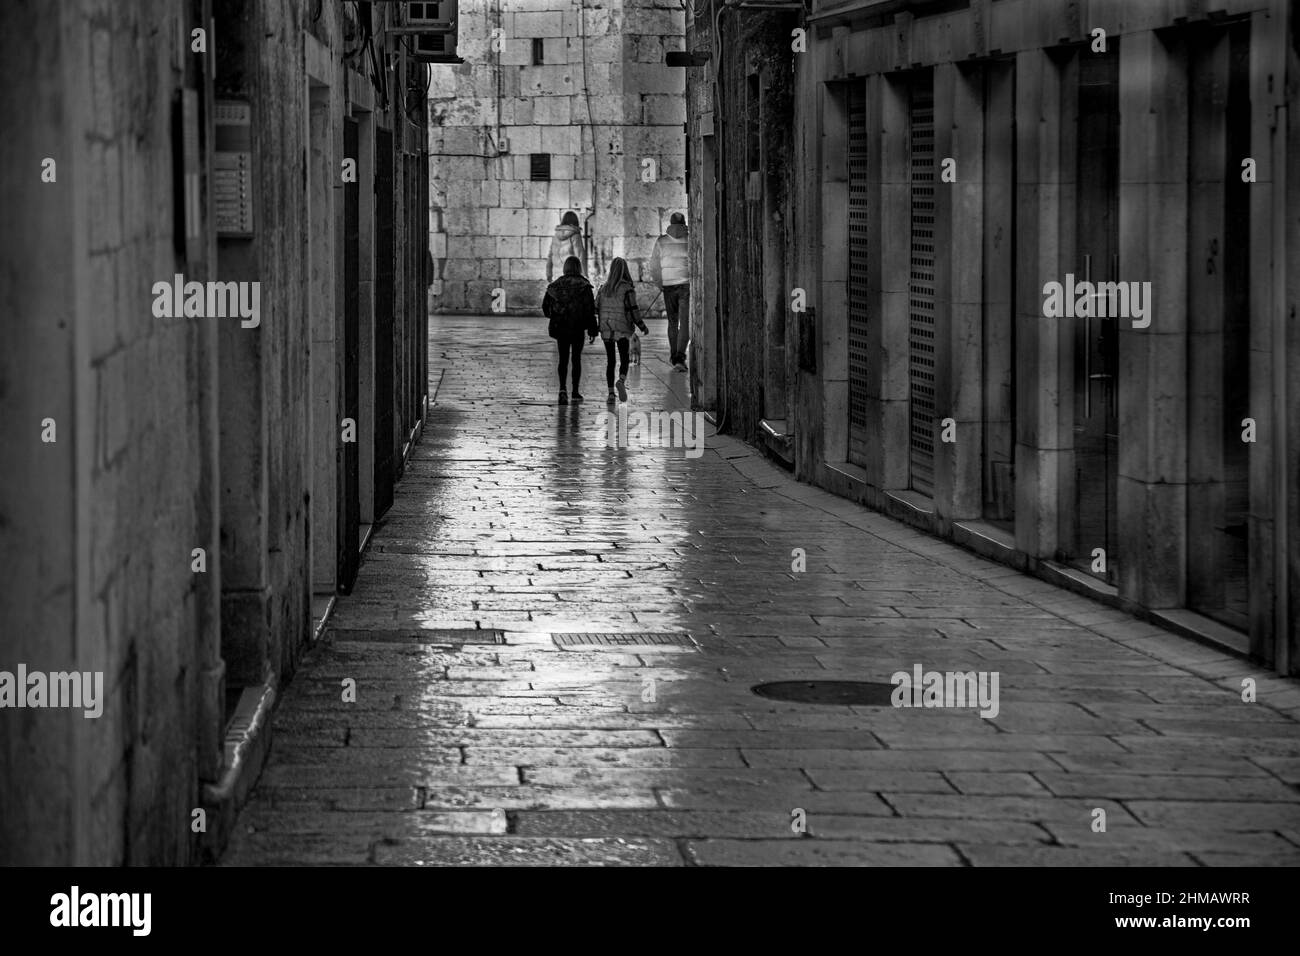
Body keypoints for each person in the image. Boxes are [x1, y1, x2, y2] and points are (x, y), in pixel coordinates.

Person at [543, 256, 598, 405]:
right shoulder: (584, 286)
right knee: (576, 359)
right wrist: (593, 329)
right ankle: (575, 391)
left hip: (561, 328)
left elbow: (546, 308)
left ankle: (562, 390)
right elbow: (589, 309)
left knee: (563, 359)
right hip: (578, 328)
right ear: (578, 267)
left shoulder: (556, 285)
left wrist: (555, 316)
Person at [596, 257, 648, 404]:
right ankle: (621, 380)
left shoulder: (603, 288)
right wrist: (642, 326)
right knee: (624, 358)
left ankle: (611, 394)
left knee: (610, 361)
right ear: (625, 270)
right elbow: (633, 310)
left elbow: (595, 308)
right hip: (623, 329)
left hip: (606, 329)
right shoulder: (627, 289)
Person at [649, 212, 690, 371]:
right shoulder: (689, 239)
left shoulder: (661, 241)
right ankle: (680, 357)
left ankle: (674, 356)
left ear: (670, 223)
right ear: (684, 223)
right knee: (685, 322)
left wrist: (660, 283)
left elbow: (654, 265)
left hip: (669, 286)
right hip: (686, 285)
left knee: (672, 322)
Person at [547, 211, 586, 282]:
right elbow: (580, 257)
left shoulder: (555, 236)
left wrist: (549, 273)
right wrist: (584, 276)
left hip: (556, 275)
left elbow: (550, 256)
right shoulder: (575, 236)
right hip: (571, 276)